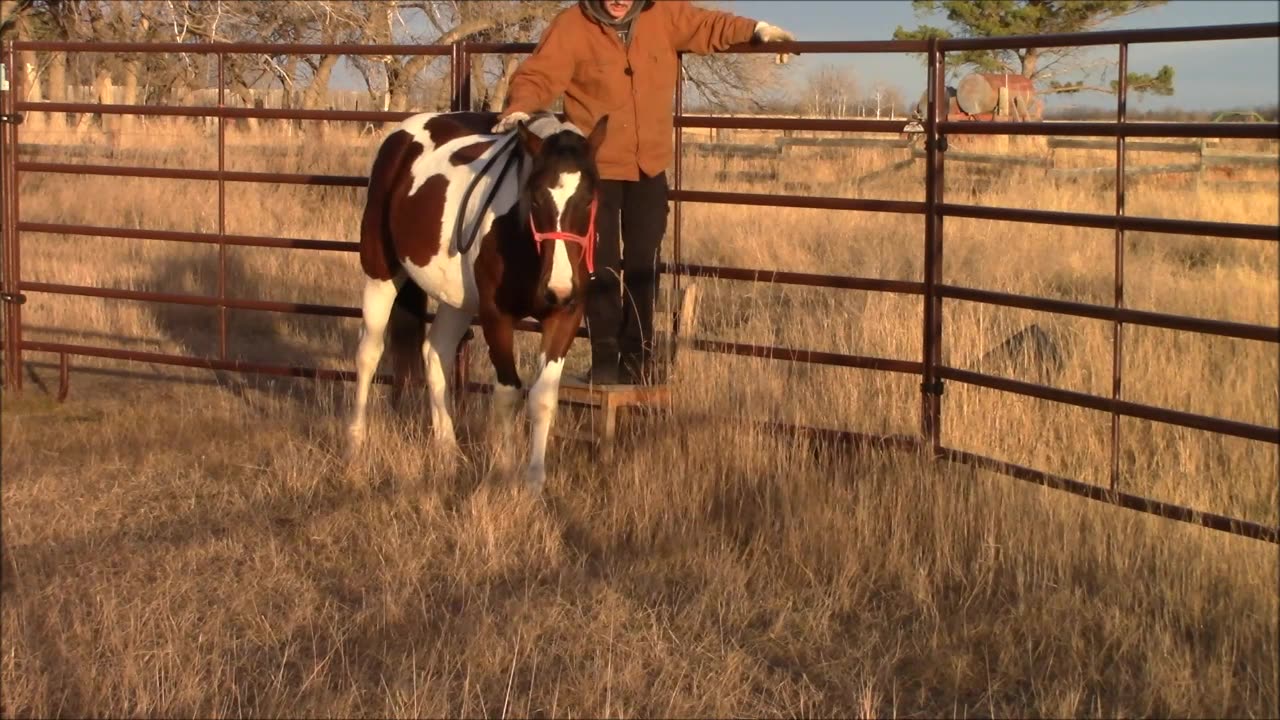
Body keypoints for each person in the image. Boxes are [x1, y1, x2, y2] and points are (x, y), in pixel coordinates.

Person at [492, 0, 794, 385]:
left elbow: (710, 26)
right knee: (598, 265)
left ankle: (637, 360)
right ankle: (604, 359)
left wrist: (759, 30)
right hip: (595, 171)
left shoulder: (665, 16)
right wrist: (519, 108)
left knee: (643, 263)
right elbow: (537, 75)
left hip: (649, 166)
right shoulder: (571, 25)